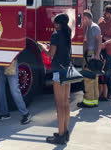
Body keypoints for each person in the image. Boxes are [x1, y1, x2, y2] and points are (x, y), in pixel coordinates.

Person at [39, 13, 71, 144]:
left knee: (59, 105)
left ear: (58, 24)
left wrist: (42, 47)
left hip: (58, 70)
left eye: (55, 23)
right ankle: (65, 131)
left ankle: (60, 134)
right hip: (67, 70)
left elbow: (51, 53)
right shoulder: (67, 33)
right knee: (66, 103)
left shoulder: (55, 35)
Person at [78, 10, 102, 108]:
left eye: (82, 19)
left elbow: (99, 41)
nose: (81, 21)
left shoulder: (94, 27)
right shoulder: (90, 27)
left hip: (92, 55)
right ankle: (94, 101)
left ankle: (88, 101)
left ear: (86, 18)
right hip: (91, 54)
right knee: (94, 78)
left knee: (88, 78)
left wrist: (97, 55)